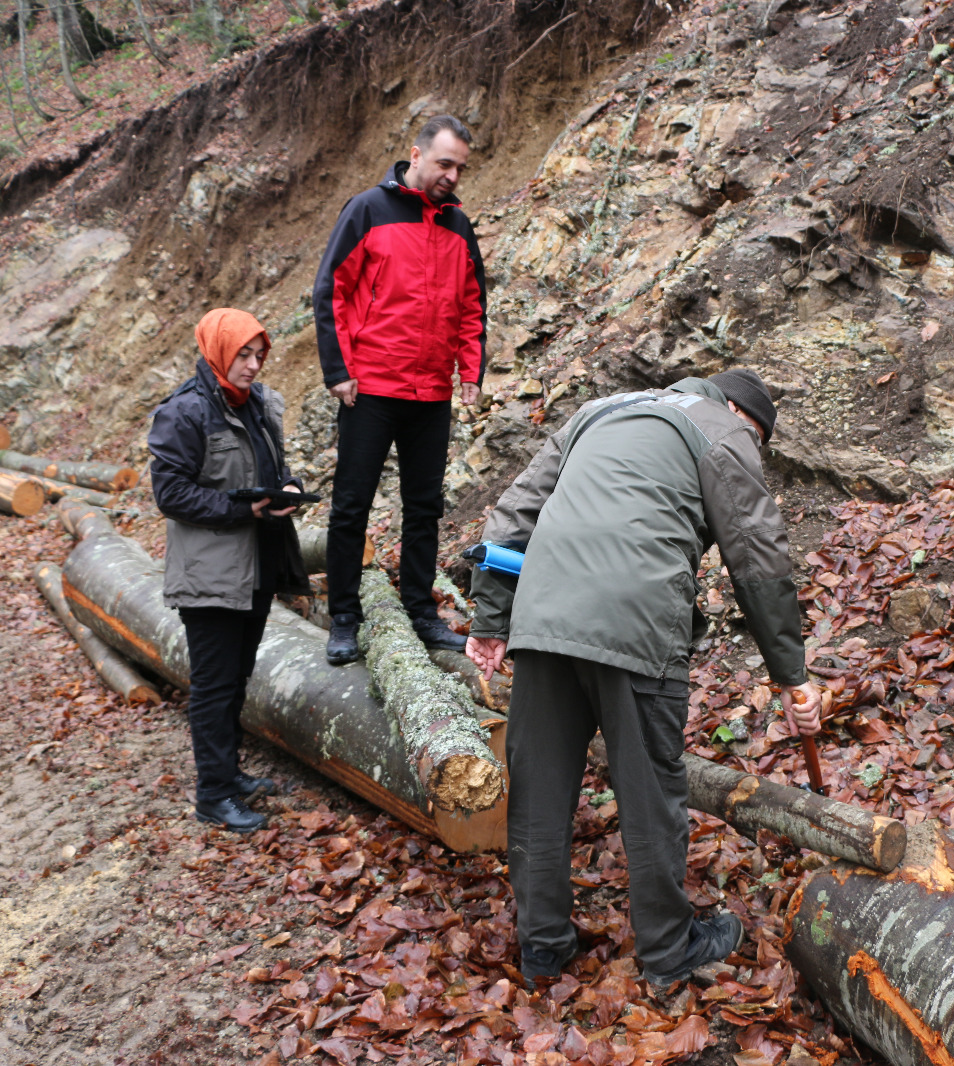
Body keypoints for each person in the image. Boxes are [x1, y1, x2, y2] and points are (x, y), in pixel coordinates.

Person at [463, 369, 823, 990]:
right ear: (739, 411)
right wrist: (793, 676)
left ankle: (543, 949)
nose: (754, 451)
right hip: (636, 619)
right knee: (652, 791)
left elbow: (514, 513)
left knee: (539, 788)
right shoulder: (722, 428)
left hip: (543, 615)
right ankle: (668, 948)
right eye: (757, 439)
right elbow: (758, 559)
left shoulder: (601, 411)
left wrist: (491, 618)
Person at [313, 114, 487, 666]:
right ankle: (344, 618)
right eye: (444, 163)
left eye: (460, 167)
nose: (453, 175)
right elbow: (330, 289)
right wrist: (338, 369)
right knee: (351, 505)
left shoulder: (459, 226)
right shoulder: (368, 210)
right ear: (416, 155)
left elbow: (472, 306)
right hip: (371, 387)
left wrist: (471, 373)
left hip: (431, 393)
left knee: (424, 508)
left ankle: (420, 611)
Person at [149, 308, 310, 832]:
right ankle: (213, 794)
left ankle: (229, 776)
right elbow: (170, 494)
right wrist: (243, 510)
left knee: (237, 677)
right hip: (211, 575)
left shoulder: (259, 406)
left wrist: (285, 488)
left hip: (256, 566)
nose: (254, 364)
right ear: (218, 350)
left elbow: (268, 469)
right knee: (214, 686)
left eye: (259, 354)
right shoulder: (185, 412)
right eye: (243, 353)